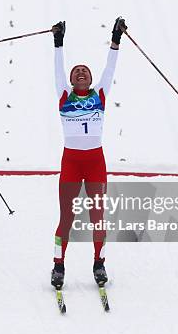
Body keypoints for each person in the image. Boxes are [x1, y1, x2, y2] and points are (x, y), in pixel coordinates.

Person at [50, 17, 126, 288]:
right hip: (71, 162)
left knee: (98, 217)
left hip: (95, 162)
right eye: (76, 71)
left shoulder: (101, 94)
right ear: (70, 81)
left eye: (85, 71)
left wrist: (116, 39)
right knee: (67, 218)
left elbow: (111, 67)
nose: (80, 73)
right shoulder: (64, 94)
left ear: (92, 79)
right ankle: (58, 266)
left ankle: (99, 263)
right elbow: (58, 69)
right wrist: (58, 42)